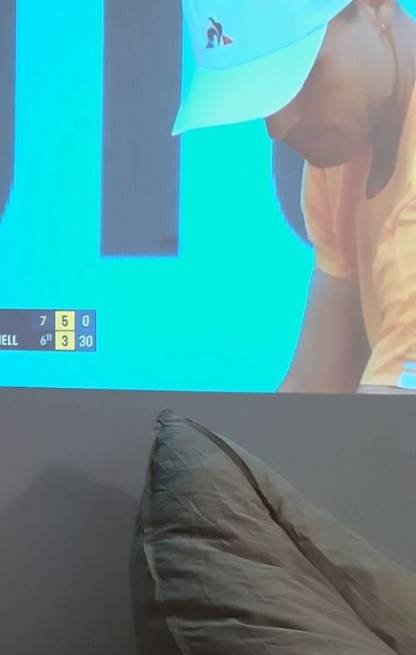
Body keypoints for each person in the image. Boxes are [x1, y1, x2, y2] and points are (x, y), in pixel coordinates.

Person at [175, 0, 416, 394]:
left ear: (376, 7)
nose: (278, 126)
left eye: (302, 77)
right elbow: (316, 386)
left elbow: (383, 426)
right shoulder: (340, 156)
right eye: (257, 94)